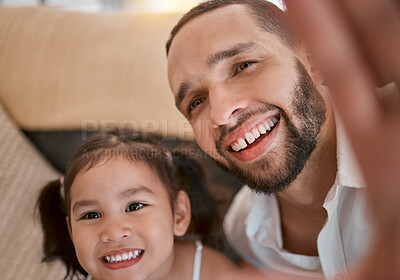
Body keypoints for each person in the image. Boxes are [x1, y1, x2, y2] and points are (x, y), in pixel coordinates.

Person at [166, 0, 399, 279]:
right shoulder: (244, 232)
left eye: (243, 66)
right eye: (196, 102)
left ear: (314, 61)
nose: (221, 114)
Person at [36, 130, 236, 280]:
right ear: (71, 231)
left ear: (179, 214)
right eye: (91, 215)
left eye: (134, 207)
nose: (113, 232)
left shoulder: (212, 271)